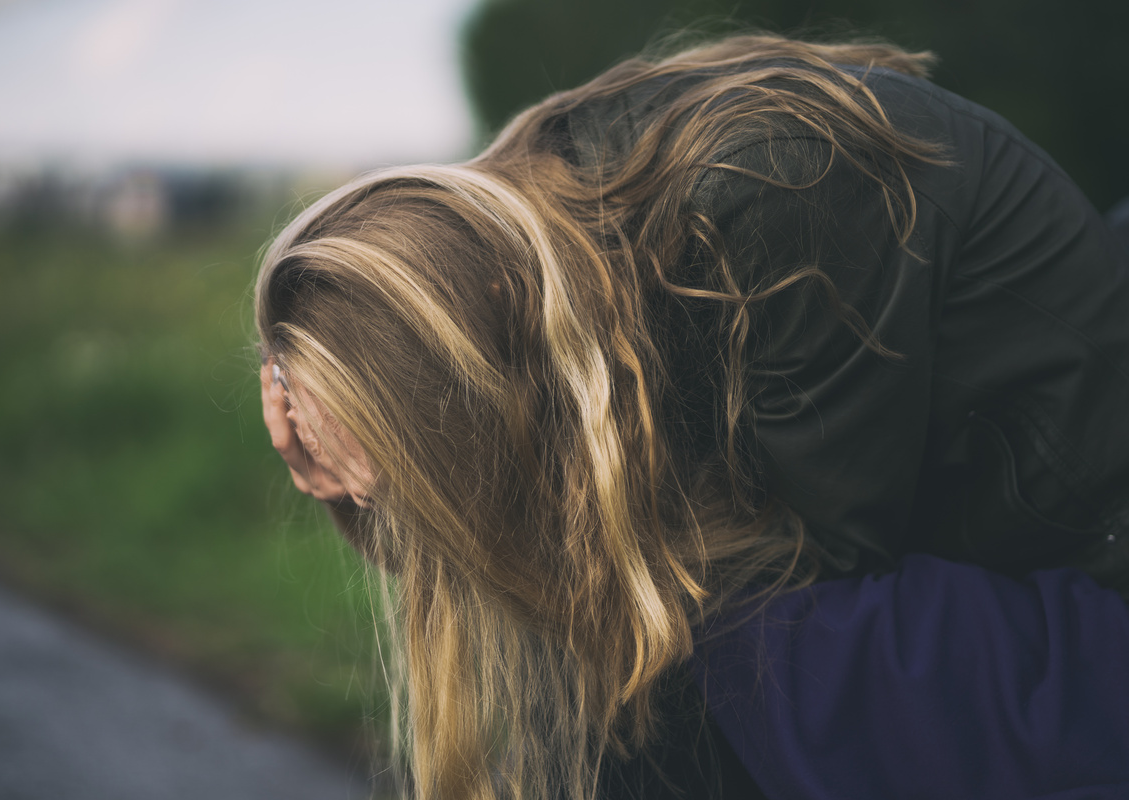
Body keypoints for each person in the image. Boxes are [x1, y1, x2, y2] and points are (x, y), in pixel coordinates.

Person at [255, 33, 1129, 800]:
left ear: (473, 325)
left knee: (682, 672)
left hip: (1082, 582)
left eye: (430, 457)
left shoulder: (763, 202)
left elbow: (808, 586)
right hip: (959, 576)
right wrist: (360, 499)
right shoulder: (550, 231)